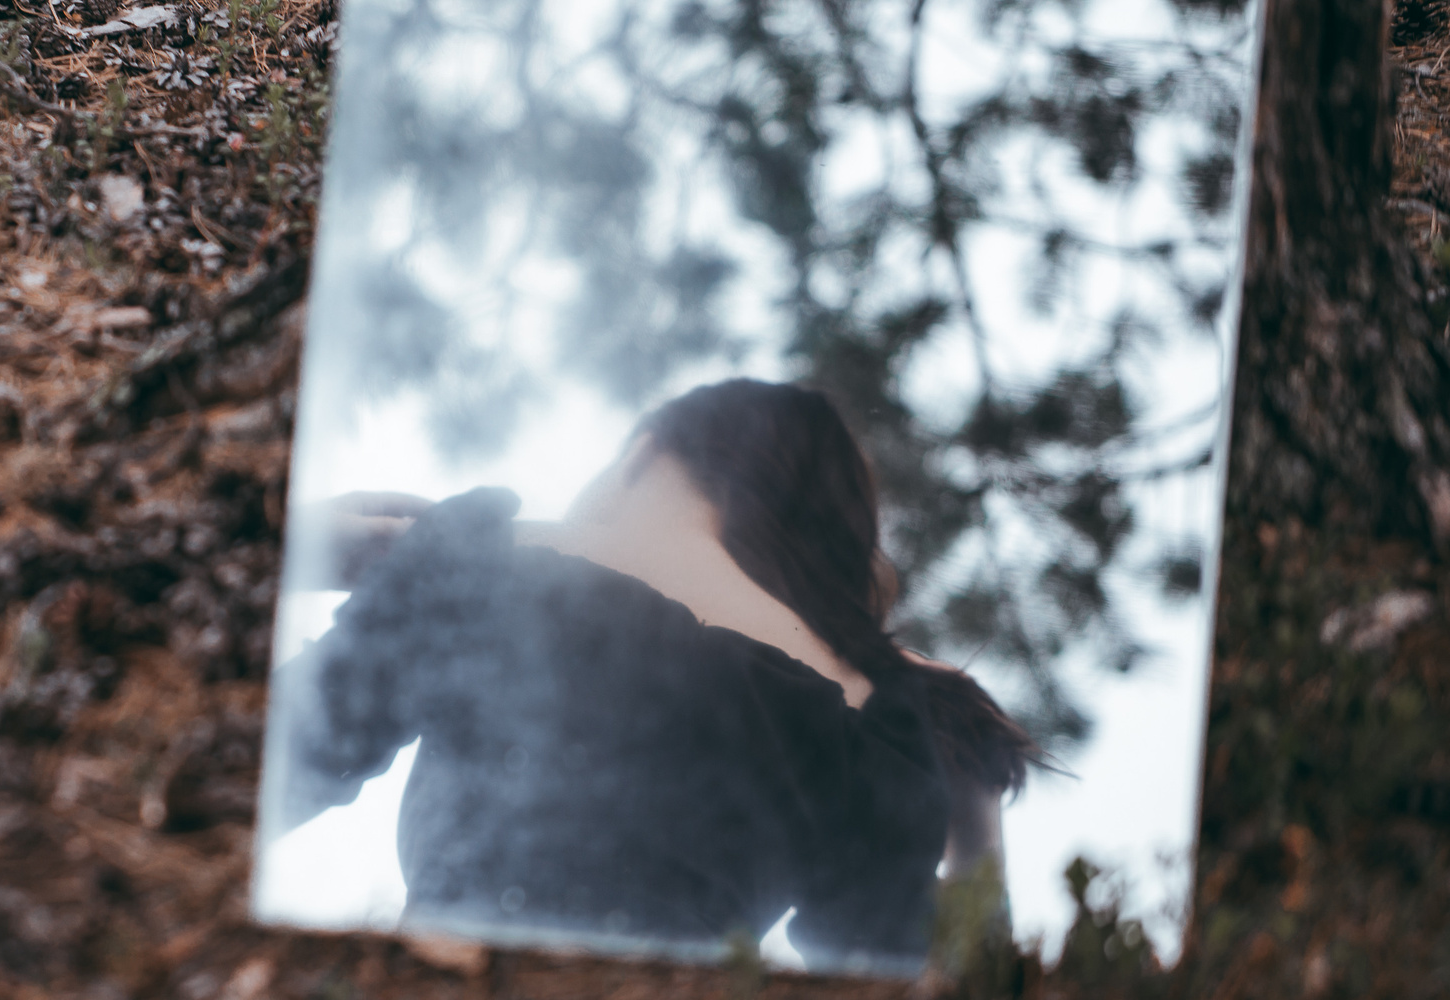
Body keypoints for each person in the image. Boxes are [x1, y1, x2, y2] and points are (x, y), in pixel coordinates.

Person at [270, 380, 1038, 968]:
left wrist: (293, 542)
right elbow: (946, 982)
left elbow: (276, 763)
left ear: (643, 453)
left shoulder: (495, 556)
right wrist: (972, 804)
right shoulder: (867, 717)